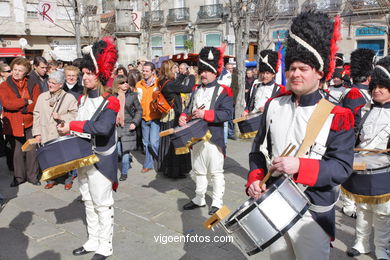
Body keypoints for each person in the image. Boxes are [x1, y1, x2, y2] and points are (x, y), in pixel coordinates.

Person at [246, 12, 355, 259]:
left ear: (319, 72)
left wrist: (299, 166)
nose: (295, 73)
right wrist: (254, 179)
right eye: (292, 67)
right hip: (275, 204)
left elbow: (341, 168)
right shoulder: (274, 105)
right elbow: (257, 152)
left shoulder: (338, 114)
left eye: (303, 68)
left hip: (313, 213)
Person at [57, 37, 119, 260]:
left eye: (89, 73)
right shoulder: (82, 100)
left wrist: (72, 124)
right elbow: (82, 128)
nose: (85, 77)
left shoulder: (110, 101)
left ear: (99, 74)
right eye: (83, 73)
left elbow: (101, 128)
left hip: (102, 161)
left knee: (102, 204)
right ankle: (93, 239)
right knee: (88, 201)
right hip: (82, 158)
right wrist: (67, 129)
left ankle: (106, 245)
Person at [343, 56, 390, 260]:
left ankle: (381, 249)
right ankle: (361, 243)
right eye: (375, 86)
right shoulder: (366, 111)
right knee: (362, 209)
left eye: (383, 86)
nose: (377, 90)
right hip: (363, 168)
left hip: (384, 172)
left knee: (382, 213)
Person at [180, 46, 234, 215]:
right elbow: (189, 108)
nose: (203, 74)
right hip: (195, 138)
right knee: (198, 170)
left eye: (207, 71)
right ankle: (199, 198)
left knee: (216, 172)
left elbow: (227, 114)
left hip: (213, 137)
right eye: (201, 71)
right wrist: (183, 116)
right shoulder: (195, 89)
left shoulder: (225, 90)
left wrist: (206, 114)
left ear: (214, 72)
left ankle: (217, 201)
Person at [340, 48, 376, 219]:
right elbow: (352, 120)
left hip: (359, 139)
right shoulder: (355, 93)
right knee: (351, 173)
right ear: (368, 76)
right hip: (353, 140)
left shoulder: (363, 92)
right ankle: (348, 205)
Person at [32, 70, 78, 190]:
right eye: (49, 82)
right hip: (45, 132)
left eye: (54, 83)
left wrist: (61, 117)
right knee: (48, 157)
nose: (50, 84)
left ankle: (68, 179)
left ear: (61, 84)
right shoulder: (42, 97)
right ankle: (52, 179)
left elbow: (75, 115)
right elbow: (36, 115)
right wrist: (36, 133)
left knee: (65, 157)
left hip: (60, 133)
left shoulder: (69, 98)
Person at [0, 57, 41, 186]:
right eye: (14, 69)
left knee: (31, 150)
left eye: (20, 70)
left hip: (30, 122)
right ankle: (18, 178)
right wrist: (24, 102)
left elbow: (36, 103)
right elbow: (7, 104)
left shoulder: (32, 83)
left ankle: (33, 176)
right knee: (16, 152)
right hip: (13, 123)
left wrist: (23, 109)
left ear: (26, 72)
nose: (16, 72)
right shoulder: (4, 85)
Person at [157, 60, 195, 178]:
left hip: (168, 116)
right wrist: (192, 75)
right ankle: (175, 171)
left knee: (169, 142)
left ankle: (167, 169)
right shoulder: (169, 84)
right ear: (169, 70)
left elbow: (176, 83)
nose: (177, 70)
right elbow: (187, 88)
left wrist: (183, 75)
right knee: (175, 142)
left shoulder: (164, 81)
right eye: (174, 68)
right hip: (173, 117)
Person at [112, 75, 142, 181]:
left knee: (125, 151)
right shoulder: (112, 96)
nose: (125, 84)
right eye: (122, 82)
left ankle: (124, 173)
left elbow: (139, 110)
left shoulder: (132, 95)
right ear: (117, 85)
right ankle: (125, 162)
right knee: (118, 151)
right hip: (115, 126)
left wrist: (135, 122)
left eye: (126, 82)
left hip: (128, 125)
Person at [242, 49, 285, 116]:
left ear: (273, 74)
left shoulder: (279, 89)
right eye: (263, 73)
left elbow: (281, 109)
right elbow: (249, 103)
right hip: (253, 121)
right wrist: (246, 111)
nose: (264, 76)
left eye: (267, 73)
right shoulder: (255, 86)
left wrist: (268, 108)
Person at [135, 61, 161, 173]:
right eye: (143, 70)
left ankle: (161, 161)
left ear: (153, 72)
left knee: (154, 143)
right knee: (146, 143)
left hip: (156, 117)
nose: (144, 73)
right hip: (143, 118)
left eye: (146, 71)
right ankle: (148, 164)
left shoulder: (158, 83)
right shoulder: (139, 84)